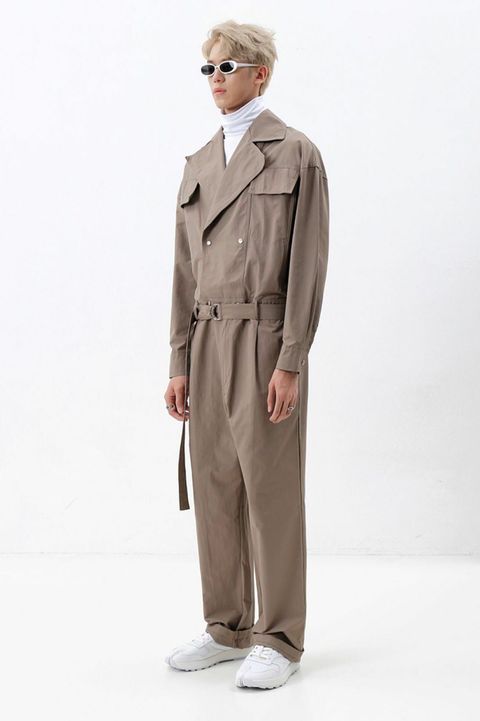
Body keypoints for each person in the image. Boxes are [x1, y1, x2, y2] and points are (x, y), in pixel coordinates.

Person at [164, 19, 329, 690]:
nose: (216, 79)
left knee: (270, 488)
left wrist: (291, 358)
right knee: (214, 484)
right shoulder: (199, 162)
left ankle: (279, 637)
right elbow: (183, 270)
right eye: (208, 68)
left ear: (261, 73)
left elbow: (307, 264)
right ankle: (226, 626)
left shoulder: (295, 153)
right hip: (206, 337)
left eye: (227, 67)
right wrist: (178, 359)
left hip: (263, 338)